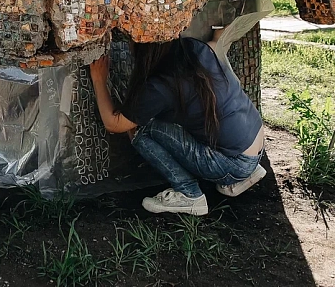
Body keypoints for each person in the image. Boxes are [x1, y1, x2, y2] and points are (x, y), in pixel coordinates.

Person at [89, 31, 266, 216]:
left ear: (145, 50)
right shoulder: (195, 47)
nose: (129, 45)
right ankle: (241, 175)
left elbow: (114, 124)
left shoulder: (160, 85)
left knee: (140, 129)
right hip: (255, 143)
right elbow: (215, 44)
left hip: (233, 163)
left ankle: (189, 194)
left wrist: (99, 78)